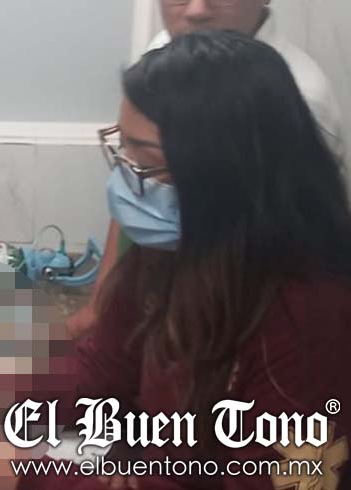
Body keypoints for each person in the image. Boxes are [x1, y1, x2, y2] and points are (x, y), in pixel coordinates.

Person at [17, 30, 351, 489]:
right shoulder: (171, 249)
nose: (127, 177)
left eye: (145, 160)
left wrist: (27, 477)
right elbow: (102, 373)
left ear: (224, 171)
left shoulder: (311, 316)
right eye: (122, 148)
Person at [67, 0, 346, 338]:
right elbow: (138, 175)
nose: (196, 10)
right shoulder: (174, 47)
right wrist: (100, 305)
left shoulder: (299, 100)